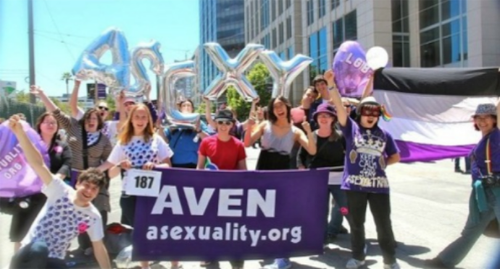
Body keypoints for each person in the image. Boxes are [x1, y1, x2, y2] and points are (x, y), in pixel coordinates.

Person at [7, 115, 111, 269]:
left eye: (94, 188)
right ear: (77, 183)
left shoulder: (93, 216)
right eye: (86, 185)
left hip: (53, 261)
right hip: (30, 255)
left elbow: (99, 247)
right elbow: (38, 164)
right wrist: (20, 134)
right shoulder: (60, 190)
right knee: (39, 249)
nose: (89, 191)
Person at [31, 85, 113, 255]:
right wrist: (42, 94)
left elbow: (111, 160)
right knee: (70, 211)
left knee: (98, 211)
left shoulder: (104, 140)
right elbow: (56, 113)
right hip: (74, 176)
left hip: (95, 178)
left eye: (95, 118)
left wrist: (97, 171)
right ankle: (77, 246)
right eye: (88, 117)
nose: (91, 120)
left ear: (99, 122)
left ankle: (97, 246)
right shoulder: (74, 127)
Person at [330, 87, 401, 269]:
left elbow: (395, 156)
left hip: (379, 187)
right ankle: (358, 257)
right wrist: (331, 85)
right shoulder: (350, 129)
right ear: (360, 113)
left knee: (384, 224)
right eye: (367, 111)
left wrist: (382, 163)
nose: (370, 116)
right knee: (356, 224)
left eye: (375, 112)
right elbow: (339, 107)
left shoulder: (386, 135)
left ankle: (390, 260)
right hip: (354, 187)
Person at [244, 96, 316, 269]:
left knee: (280, 214)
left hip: (283, 171)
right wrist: (248, 127)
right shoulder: (265, 125)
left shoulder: (295, 131)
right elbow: (247, 142)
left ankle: (282, 257)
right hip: (263, 168)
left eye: (281, 105)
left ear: (287, 107)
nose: (278, 109)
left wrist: (308, 131)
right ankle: (268, 248)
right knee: (261, 211)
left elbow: (312, 150)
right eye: (275, 106)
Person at [98, 103, 173, 269]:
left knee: (156, 229)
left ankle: (167, 260)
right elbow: (108, 169)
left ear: (149, 120)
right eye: (137, 116)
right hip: (129, 195)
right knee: (139, 231)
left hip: (154, 194)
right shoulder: (122, 142)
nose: (140, 120)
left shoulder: (156, 140)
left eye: (144, 117)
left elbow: (168, 165)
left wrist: (154, 166)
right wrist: (117, 167)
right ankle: (144, 265)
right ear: (131, 119)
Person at [425, 103, 500, 269]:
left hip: (497, 190)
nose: (482, 121)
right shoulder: (484, 139)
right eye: (478, 118)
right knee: (472, 230)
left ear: (495, 119)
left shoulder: (497, 136)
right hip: (482, 193)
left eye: (486, 117)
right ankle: (445, 261)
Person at [9, 112, 72, 252]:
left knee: (50, 232)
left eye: (53, 122)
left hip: (51, 194)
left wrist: (57, 179)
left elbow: (67, 164)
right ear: (40, 125)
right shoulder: (29, 142)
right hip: (28, 195)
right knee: (22, 232)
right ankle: (19, 262)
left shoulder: (62, 146)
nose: (50, 125)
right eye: (47, 122)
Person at [197, 109, 247, 269]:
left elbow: (243, 170)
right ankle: (210, 254)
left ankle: (235, 256)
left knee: (233, 225)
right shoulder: (206, 142)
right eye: (220, 122)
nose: (223, 126)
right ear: (215, 124)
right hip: (210, 192)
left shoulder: (238, 145)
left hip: (232, 192)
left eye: (227, 123)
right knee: (210, 225)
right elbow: (199, 167)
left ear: (232, 125)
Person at [297, 103, 348, 243]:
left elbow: (351, 155)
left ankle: (333, 229)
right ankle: (322, 236)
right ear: (316, 119)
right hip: (318, 179)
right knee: (320, 209)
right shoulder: (311, 135)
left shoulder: (341, 137)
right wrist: (301, 167)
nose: (323, 118)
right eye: (320, 116)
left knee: (343, 207)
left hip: (339, 179)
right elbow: (301, 155)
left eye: (327, 116)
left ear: (333, 119)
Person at [164, 99, 209, 169]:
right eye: (184, 106)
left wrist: (199, 130)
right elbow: (164, 139)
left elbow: (209, 140)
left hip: (192, 162)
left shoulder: (199, 122)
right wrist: (161, 127)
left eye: (189, 105)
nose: (186, 107)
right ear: (180, 109)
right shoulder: (173, 122)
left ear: (192, 109)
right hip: (174, 162)